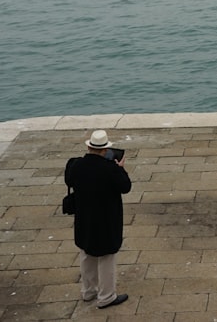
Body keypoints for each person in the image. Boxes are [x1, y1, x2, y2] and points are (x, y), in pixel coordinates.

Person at [64, 130, 132, 309]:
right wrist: (121, 169)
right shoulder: (110, 169)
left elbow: (69, 180)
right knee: (106, 257)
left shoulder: (76, 165)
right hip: (105, 219)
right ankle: (107, 296)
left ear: (89, 147)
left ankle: (88, 291)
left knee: (87, 253)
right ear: (105, 150)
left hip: (84, 217)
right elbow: (125, 187)